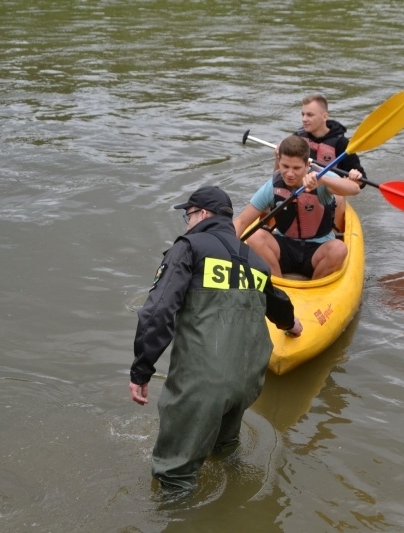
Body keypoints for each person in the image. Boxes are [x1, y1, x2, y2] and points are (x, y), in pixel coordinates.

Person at [129, 185, 303, 498]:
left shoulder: (189, 247)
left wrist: (141, 370)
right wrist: (291, 325)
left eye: (188, 214)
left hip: (203, 382)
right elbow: (278, 302)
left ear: (203, 214)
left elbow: (157, 311)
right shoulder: (255, 260)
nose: (186, 222)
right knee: (223, 453)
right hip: (247, 382)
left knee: (174, 477)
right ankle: (233, 501)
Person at [235, 134, 361, 280]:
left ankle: (315, 287)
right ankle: (277, 285)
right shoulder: (272, 186)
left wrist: (323, 181)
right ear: (279, 162)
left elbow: (354, 189)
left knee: (339, 249)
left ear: (307, 165)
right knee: (255, 237)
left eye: (296, 168)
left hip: (318, 249)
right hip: (285, 247)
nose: (289, 173)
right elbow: (242, 221)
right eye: (285, 166)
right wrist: (222, 247)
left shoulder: (321, 177)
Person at [295, 94, 367, 232]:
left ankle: (335, 233)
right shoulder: (298, 138)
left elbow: (362, 181)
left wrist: (355, 175)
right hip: (302, 188)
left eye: (310, 115)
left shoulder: (341, 143)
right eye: (303, 114)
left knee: (339, 198)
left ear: (324, 116)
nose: (304, 119)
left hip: (330, 192)